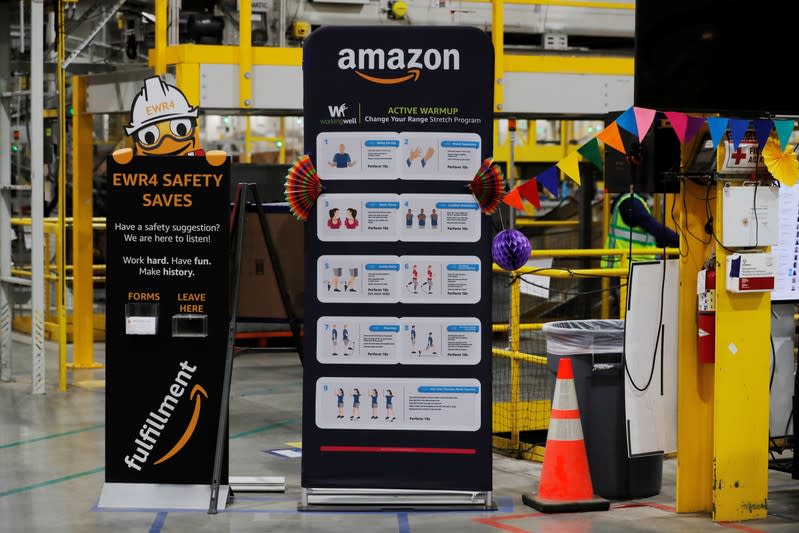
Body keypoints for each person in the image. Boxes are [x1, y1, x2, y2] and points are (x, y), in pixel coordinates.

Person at [601, 192, 678, 268]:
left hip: (632, 264)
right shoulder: (631, 202)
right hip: (628, 264)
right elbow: (652, 226)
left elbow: (648, 234)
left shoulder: (630, 201)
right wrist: (678, 241)